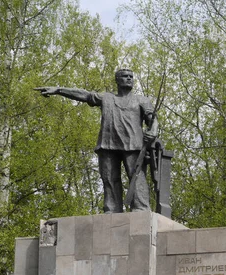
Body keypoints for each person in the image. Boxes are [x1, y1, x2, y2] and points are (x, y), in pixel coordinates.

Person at [35, 69, 157, 213]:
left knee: (136, 176)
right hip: (108, 144)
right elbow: (85, 95)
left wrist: (153, 130)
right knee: (109, 178)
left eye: (131, 77)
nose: (129, 79)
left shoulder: (141, 100)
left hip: (133, 145)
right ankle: (112, 209)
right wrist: (58, 90)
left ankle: (141, 208)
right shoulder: (107, 98)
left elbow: (153, 119)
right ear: (117, 80)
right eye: (125, 76)